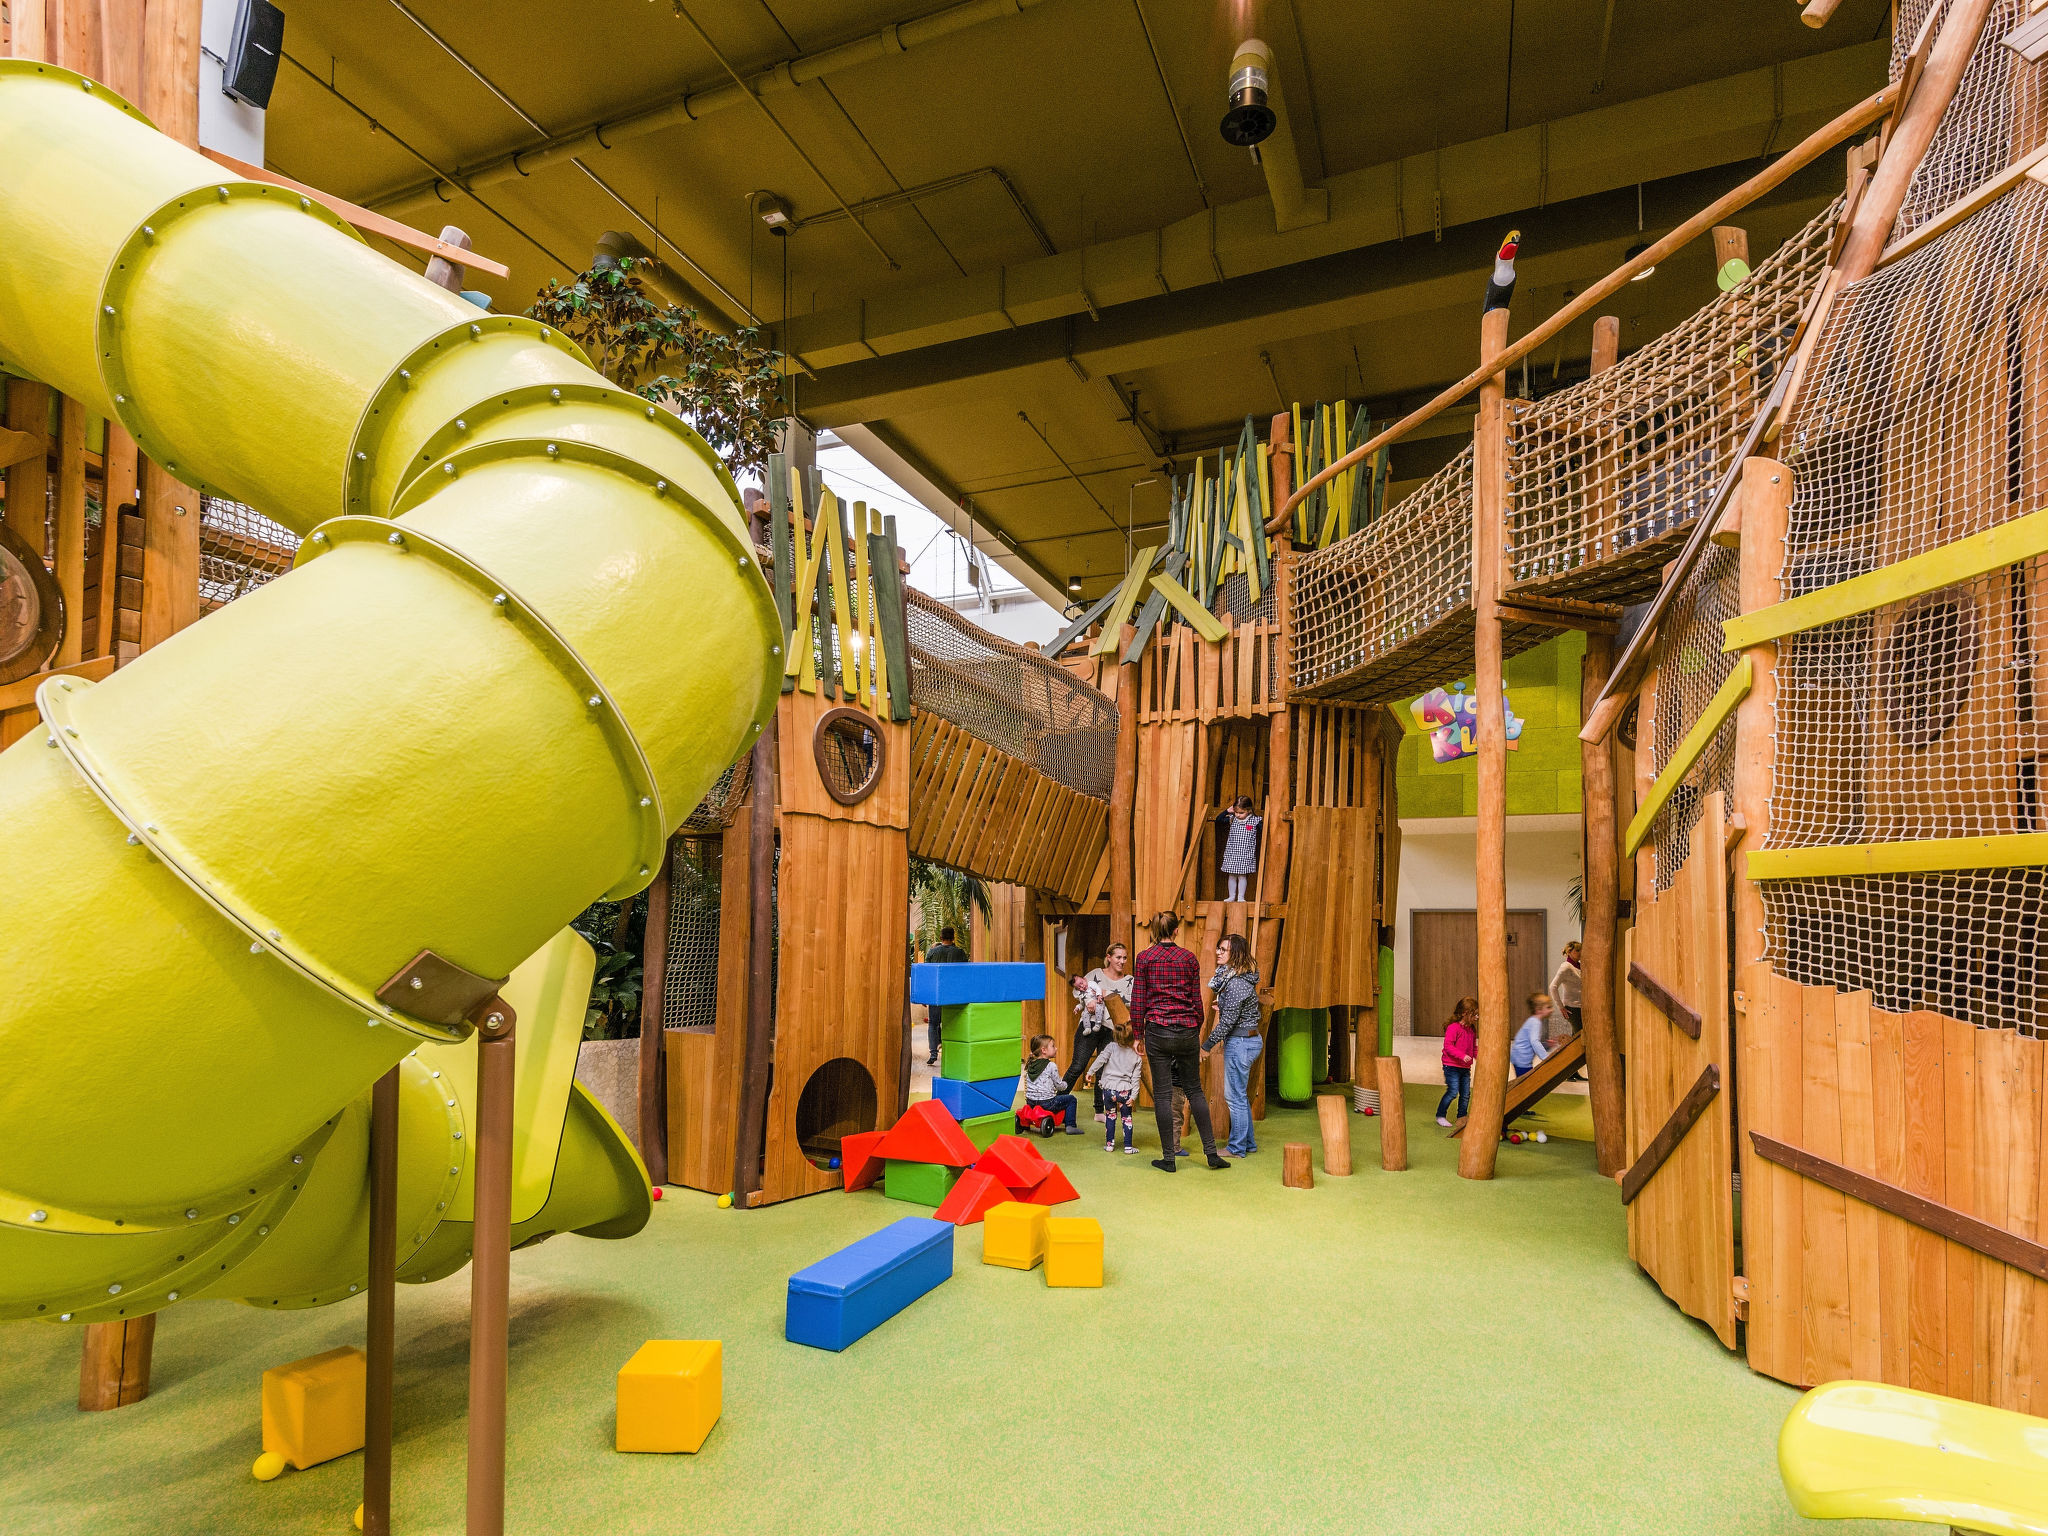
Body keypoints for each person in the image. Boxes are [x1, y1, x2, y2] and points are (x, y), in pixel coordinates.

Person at [1129, 911, 1229, 1172]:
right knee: (1195, 1092)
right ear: (1176, 931)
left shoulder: (1144, 958)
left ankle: (1169, 1159)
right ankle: (1211, 1155)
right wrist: (1195, 1029)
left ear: (1154, 931)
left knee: (1162, 1095)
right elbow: (1197, 1001)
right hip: (1186, 1030)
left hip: (1157, 1031)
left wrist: (1138, 1034)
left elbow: (1139, 999)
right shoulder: (1188, 958)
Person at [1202, 932, 1262, 1158]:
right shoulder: (1238, 978)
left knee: (1234, 1097)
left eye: (1223, 949)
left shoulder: (1236, 983)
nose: (1218, 952)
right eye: (1218, 948)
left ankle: (1236, 1148)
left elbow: (1227, 1023)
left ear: (1235, 954)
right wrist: (1226, 1006)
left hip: (1241, 1042)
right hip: (1245, 1040)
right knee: (1239, 1095)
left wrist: (1206, 1045)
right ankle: (1248, 1143)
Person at [1071, 942, 1129, 1117]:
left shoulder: (1129, 981)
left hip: (1112, 1029)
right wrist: (1087, 1000)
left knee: (1103, 1070)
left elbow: (1129, 1002)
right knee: (1078, 1065)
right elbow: (1077, 989)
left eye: (1124, 957)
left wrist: (1106, 993)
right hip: (1091, 1025)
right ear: (1109, 958)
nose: (1122, 961)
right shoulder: (1095, 974)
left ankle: (1099, 1111)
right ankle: (1055, 1103)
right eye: (1118, 957)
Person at [1081, 1019, 1144, 1153]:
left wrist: (1090, 1072)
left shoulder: (1110, 1047)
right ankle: (1128, 1147)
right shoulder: (1137, 1057)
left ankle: (1109, 1145)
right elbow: (1135, 1079)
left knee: (1110, 1116)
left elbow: (1100, 1059)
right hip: (1124, 1091)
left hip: (1108, 1090)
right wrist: (1133, 1096)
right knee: (1127, 1119)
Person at [922, 926, 968, 1066]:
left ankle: (933, 1054)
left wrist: (925, 995)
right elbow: (965, 975)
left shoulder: (932, 952)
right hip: (954, 995)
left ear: (941, 938)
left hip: (936, 994)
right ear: (953, 938)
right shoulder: (960, 953)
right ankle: (950, 1053)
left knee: (933, 1024)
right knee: (951, 1024)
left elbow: (927, 975)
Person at [1022, 1033, 1082, 1133]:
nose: (1056, 1048)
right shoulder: (1051, 1065)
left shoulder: (1030, 1064)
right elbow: (1058, 1086)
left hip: (1030, 1102)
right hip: (1047, 1102)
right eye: (1053, 1046)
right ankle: (1071, 1125)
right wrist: (1065, 1085)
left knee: (1060, 1099)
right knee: (1071, 1099)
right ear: (1044, 1050)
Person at [1437, 996, 1478, 1127]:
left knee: (1465, 1094)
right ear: (1465, 1014)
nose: (1477, 1018)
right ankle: (1440, 1115)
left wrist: (1479, 1057)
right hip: (1452, 1066)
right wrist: (1462, 1056)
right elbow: (1448, 1046)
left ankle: (1462, 1116)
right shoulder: (1453, 1028)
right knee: (1453, 1091)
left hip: (1465, 1067)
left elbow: (1473, 1048)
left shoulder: (1471, 1030)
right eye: (1475, 1014)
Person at [1219, 795, 1262, 903]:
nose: (1238, 815)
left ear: (1249, 810)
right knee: (1232, 875)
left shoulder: (1255, 821)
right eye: (1236, 812)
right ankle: (1231, 896)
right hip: (1232, 852)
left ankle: (1241, 897)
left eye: (1241, 813)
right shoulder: (1232, 819)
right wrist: (1227, 811)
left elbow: (1263, 830)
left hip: (1246, 853)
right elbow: (1218, 820)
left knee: (1242, 876)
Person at [1512, 992, 1554, 1079]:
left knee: (1525, 1083)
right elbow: (1534, 1042)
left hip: (1520, 1058)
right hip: (1522, 1060)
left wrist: (1546, 1045)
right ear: (1539, 1010)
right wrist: (1546, 1057)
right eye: (1548, 1007)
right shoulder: (1535, 1023)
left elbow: (1531, 1041)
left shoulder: (1533, 1021)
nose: (1552, 1010)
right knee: (1526, 1084)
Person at [1550, 941, 1583, 1031]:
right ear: (1569, 952)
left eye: (1581, 950)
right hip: (1573, 1007)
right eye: (1577, 950)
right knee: (1578, 1036)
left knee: (1579, 1036)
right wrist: (1560, 1007)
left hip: (1581, 1007)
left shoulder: (1579, 966)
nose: (1580, 952)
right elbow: (1553, 987)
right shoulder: (1566, 967)